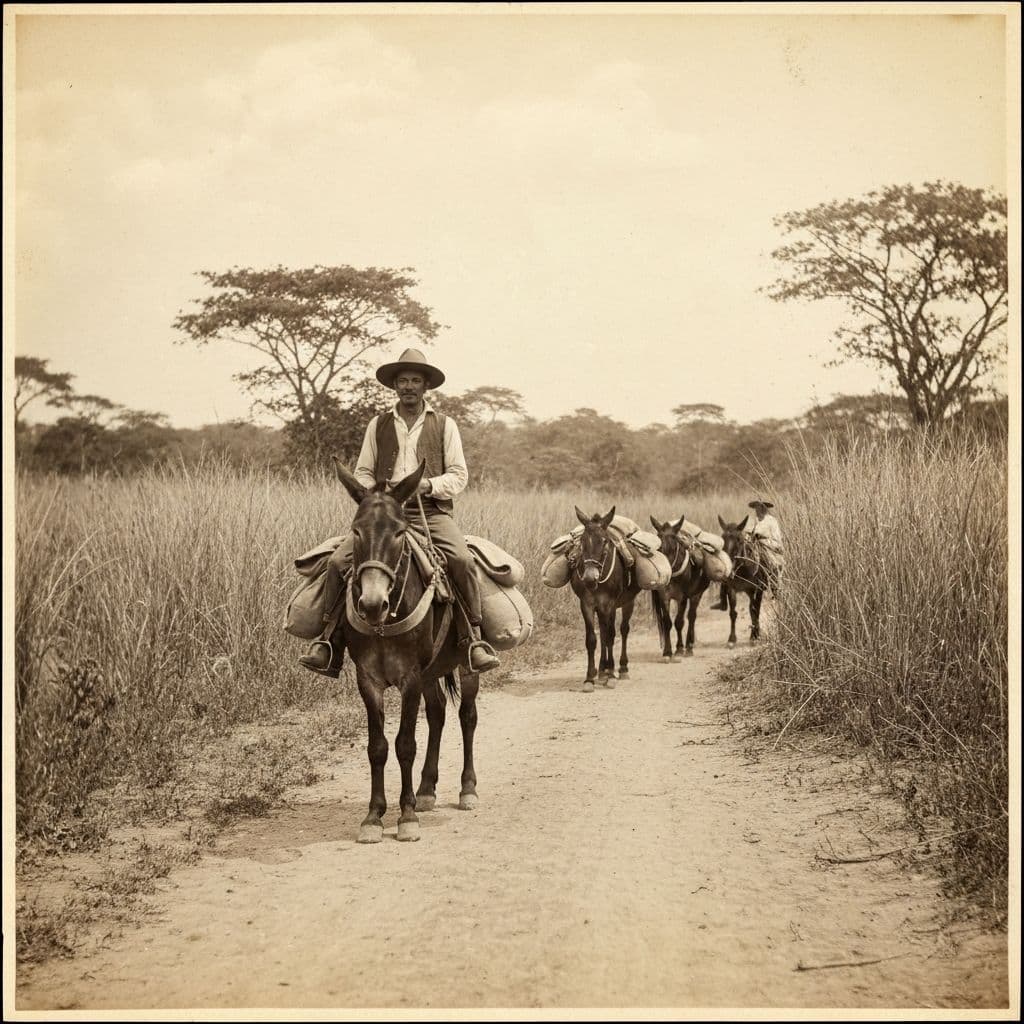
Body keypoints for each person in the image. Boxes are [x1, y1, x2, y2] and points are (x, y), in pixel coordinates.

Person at [298, 348, 501, 677]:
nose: (408, 386)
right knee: (337, 563)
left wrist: (428, 485)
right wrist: (374, 495)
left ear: (425, 386)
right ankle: (328, 642)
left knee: (462, 561)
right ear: (394, 385)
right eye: (403, 380)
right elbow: (363, 471)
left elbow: (459, 475)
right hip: (383, 516)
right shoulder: (377, 424)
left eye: (415, 380)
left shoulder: (445, 425)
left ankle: (472, 639)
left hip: (430, 512)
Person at [711, 499, 784, 609]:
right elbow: (745, 534)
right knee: (733, 557)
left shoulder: (772, 522)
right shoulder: (751, 520)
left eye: (761, 507)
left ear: (765, 508)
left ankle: (774, 589)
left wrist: (762, 538)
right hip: (752, 544)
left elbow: (777, 541)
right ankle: (724, 593)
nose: (758, 510)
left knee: (773, 562)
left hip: (767, 546)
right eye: (756, 507)